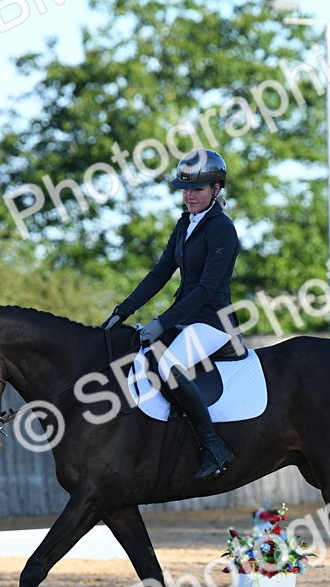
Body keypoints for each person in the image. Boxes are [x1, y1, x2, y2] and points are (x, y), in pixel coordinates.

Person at [102, 148, 242, 480]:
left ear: (216, 189)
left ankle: (214, 446)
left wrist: (163, 321)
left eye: (198, 189)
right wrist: (122, 311)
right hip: (187, 318)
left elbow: (206, 289)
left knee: (167, 364)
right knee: (139, 352)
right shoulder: (184, 225)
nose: (190, 196)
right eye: (185, 189)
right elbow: (159, 274)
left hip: (213, 321)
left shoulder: (221, 228)